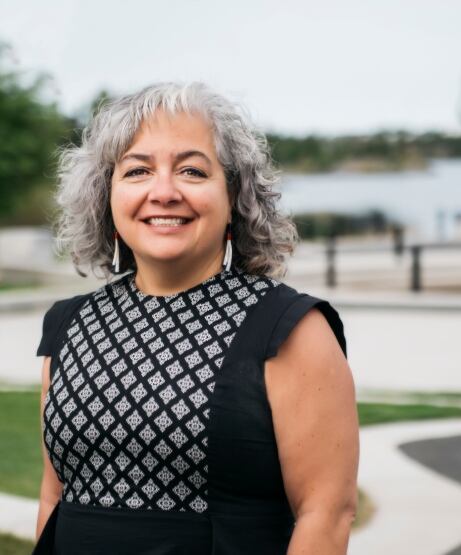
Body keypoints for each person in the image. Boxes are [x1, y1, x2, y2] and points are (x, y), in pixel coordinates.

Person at [31, 82, 359, 554]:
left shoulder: (289, 328)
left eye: (191, 170)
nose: (163, 192)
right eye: (138, 171)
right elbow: (53, 496)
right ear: (107, 196)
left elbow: (326, 514)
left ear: (234, 198)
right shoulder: (67, 325)